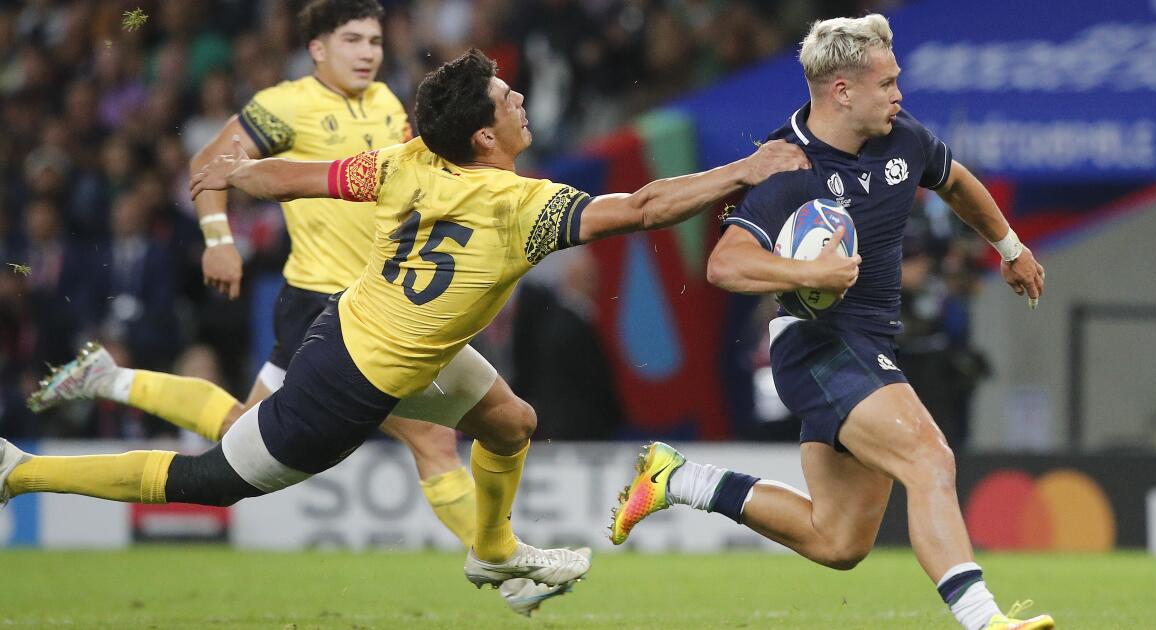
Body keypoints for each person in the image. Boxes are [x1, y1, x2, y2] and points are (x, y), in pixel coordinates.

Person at [1, 48, 808, 595]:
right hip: (347, 378)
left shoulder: (407, 161)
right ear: (487, 136)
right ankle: (17, 471)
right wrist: (746, 167)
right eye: (508, 97)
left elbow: (298, 177)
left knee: (509, 421)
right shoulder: (520, 208)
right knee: (209, 481)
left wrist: (239, 175)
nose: (521, 98)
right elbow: (643, 207)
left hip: (390, 338)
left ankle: (491, 552)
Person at [22, 0, 562, 615]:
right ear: (317, 50)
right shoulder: (284, 104)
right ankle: (503, 567)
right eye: (353, 40)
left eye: (376, 41)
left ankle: (109, 379)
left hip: (377, 300)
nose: (368, 53)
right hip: (325, 304)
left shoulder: (388, 105)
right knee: (434, 441)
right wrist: (219, 240)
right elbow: (212, 165)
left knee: (237, 438)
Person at [607, 15, 1053, 630]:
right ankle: (985, 620)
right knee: (930, 458)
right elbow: (725, 263)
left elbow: (955, 182)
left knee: (838, 540)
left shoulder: (905, 139)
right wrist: (810, 274)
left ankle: (681, 479)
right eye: (887, 83)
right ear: (842, 90)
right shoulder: (786, 166)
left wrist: (1009, 247)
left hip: (869, 343)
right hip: (817, 346)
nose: (900, 95)